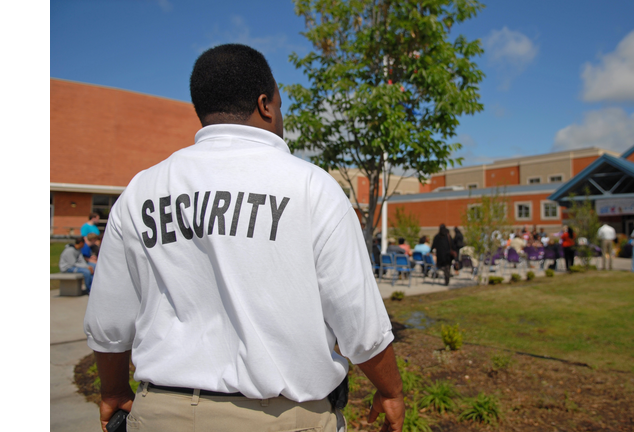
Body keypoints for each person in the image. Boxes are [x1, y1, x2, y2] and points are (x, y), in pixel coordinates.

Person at [83, 44, 404, 432]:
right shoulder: (312, 187)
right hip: (282, 418)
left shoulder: (141, 191)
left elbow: (109, 322)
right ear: (265, 105)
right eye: (280, 105)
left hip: (161, 416)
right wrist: (390, 390)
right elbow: (359, 320)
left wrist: (114, 390)